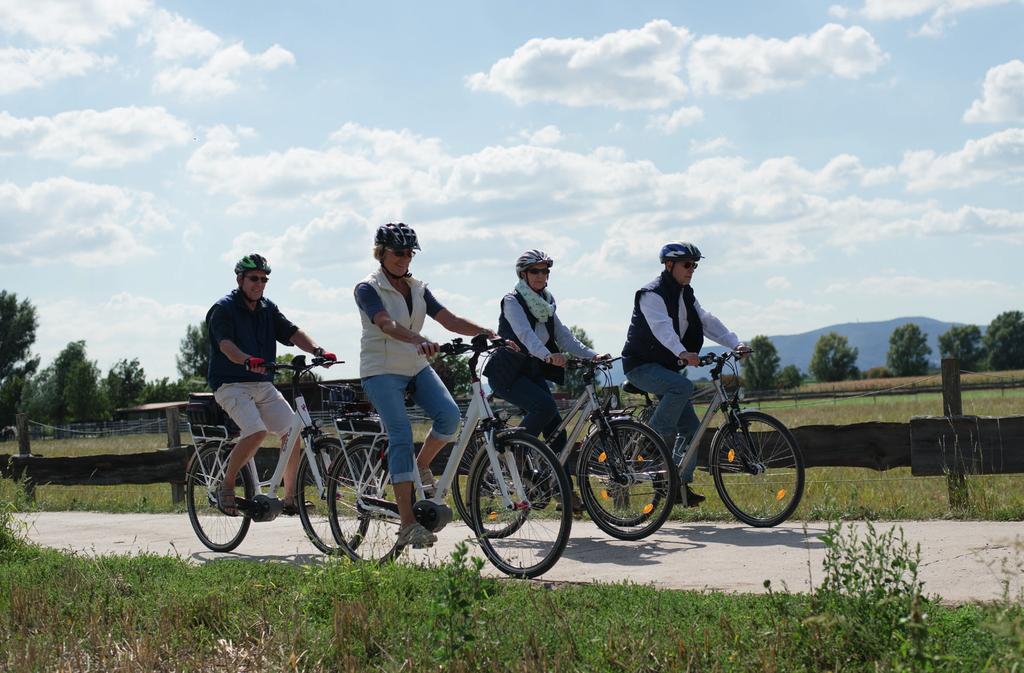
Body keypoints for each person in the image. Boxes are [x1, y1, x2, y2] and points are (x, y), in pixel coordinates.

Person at [354, 222, 502, 548]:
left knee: (450, 417)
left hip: (416, 367)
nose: (404, 258)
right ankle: (407, 524)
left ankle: (420, 466)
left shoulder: (418, 288)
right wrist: (418, 338)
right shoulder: (368, 288)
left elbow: (448, 319)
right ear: (381, 253)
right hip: (381, 370)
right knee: (401, 435)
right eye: (397, 253)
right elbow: (385, 323)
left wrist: (488, 333)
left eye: (409, 253)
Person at [206, 253, 336, 516]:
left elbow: (292, 331)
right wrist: (246, 360)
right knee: (256, 431)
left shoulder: (267, 308)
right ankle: (227, 484)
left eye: (264, 279)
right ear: (239, 279)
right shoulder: (223, 309)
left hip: (262, 383)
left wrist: (318, 351)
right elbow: (226, 345)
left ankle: (290, 499)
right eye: (254, 279)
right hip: (231, 384)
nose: (259, 284)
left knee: (292, 432)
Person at [621, 242, 748, 506]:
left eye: (695, 265)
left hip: (665, 368)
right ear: (670, 266)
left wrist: (734, 343)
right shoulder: (651, 294)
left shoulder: (685, 294)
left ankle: (676, 483)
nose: (692, 270)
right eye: (687, 264)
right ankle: (650, 439)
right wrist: (682, 352)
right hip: (640, 366)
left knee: (693, 430)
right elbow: (662, 329)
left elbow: (706, 320)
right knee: (682, 387)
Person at [483, 249, 607, 457]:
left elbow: (565, 337)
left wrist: (593, 355)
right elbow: (525, 335)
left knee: (557, 431)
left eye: (545, 271)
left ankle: (562, 486)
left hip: (530, 372)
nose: (541, 275)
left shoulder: (546, 304)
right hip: (506, 373)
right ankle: (513, 455)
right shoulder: (512, 301)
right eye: (535, 271)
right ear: (523, 274)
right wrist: (548, 356)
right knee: (544, 407)